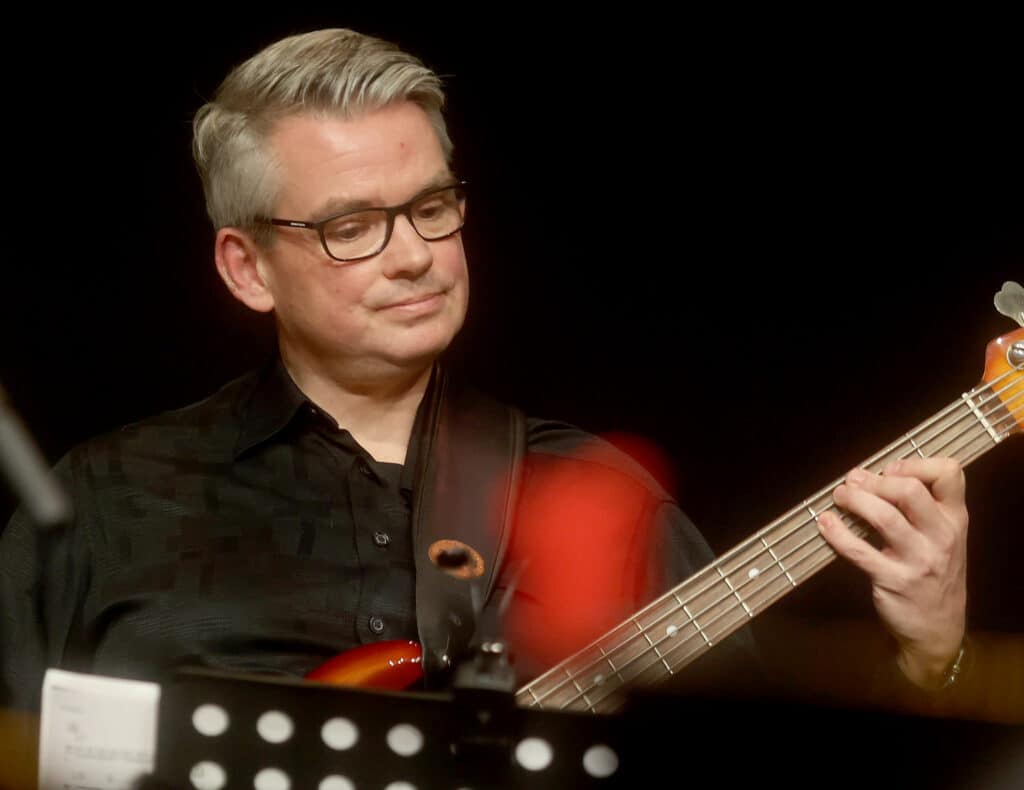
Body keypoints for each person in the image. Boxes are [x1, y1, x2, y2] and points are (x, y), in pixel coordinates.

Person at [0, 28, 968, 716]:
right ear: (247, 268)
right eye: (353, 226)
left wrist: (929, 659)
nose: (415, 255)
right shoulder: (107, 501)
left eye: (431, 207)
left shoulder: (597, 495)